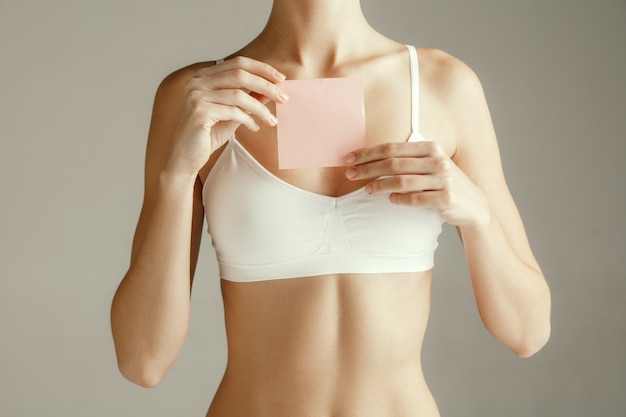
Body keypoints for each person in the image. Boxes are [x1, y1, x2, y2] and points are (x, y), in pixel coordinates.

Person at [110, 0, 552, 415]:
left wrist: (478, 215)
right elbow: (142, 361)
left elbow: (528, 332)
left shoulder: (443, 86)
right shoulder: (197, 98)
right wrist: (177, 176)